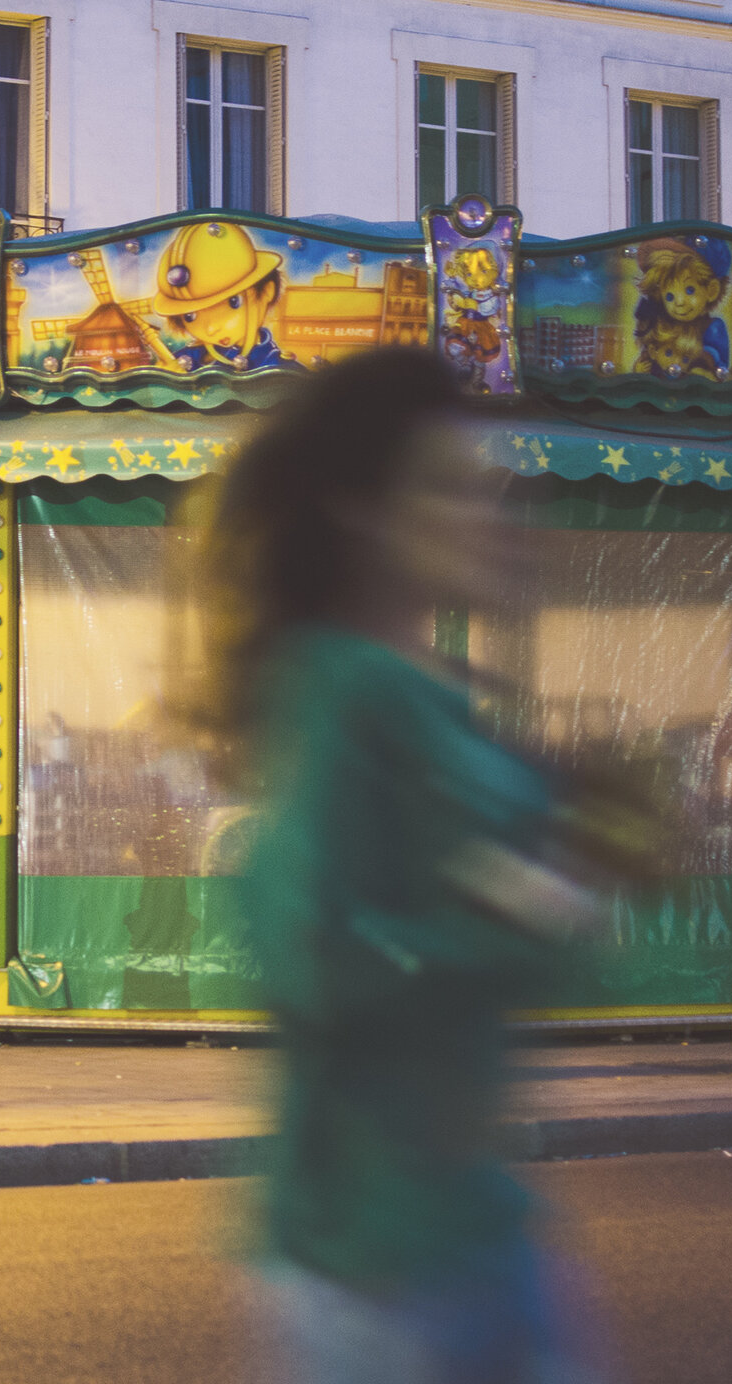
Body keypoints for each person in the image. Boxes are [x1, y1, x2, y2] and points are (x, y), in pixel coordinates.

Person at [198, 348, 634, 1384]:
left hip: (469, 1219)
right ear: (361, 512)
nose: (490, 510)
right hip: (372, 1254)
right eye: (450, 488)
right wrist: (521, 914)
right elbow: (311, 958)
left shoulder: (429, 699)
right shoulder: (336, 689)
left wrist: (556, 874)